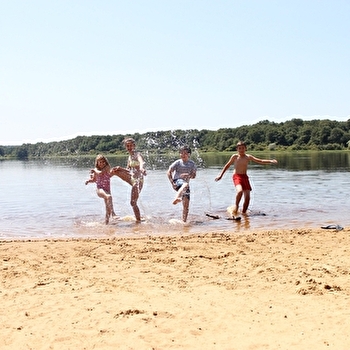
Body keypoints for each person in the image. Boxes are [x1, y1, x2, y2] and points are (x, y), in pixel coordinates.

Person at [215, 141, 277, 216]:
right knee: (240, 191)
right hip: (237, 176)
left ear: (245, 149)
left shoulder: (248, 157)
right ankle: (236, 207)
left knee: (247, 198)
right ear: (237, 149)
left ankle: (244, 213)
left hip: (245, 177)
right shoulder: (234, 157)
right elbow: (227, 165)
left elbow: (260, 161)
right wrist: (220, 175)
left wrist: (270, 161)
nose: (241, 150)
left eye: (243, 148)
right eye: (239, 148)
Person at [112, 138, 146, 222]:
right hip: (131, 178)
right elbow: (128, 170)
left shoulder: (137, 154)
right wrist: (120, 168)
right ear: (125, 147)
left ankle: (138, 221)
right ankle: (101, 178)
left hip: (138, 181)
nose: (129, 147)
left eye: (131, 145)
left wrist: (141, 169)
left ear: (134, 146)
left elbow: (141, 162)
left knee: (133, 202)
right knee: (115, 170)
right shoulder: (129, 157)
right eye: (127, 146)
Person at [167, 145, 197, 222]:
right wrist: (172, 183)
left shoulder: (192, 164)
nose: (183, 155)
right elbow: (168, 172)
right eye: (181, 153)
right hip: (177, 182)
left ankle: (184, 222)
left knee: (186, 205)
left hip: (185, 187)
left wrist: (189, 175)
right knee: (186, 184)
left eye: (185, 153)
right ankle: (177, 197)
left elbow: (194, 176)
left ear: (189, 154)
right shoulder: (177, 163)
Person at [85, 154, 118, 224]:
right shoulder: (96, 170)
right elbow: (94, 180)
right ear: (97, 163)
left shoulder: (107, 167)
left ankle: (106, 224)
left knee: (107, 209)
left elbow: (100, 173)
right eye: (100, 162)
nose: (102, 163)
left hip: (107, 190)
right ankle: (113, 213)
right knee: (109, 196)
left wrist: (94, 170)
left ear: (105, 162)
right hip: (99, 190)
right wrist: (89, 181)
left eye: (103, 162)